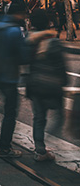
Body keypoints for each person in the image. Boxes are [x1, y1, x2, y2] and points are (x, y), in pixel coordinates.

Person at [26, 9, 68, 162]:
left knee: (39, 117)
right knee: (60, 115)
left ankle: (40, 149)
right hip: (52, 85)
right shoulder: (53, 41)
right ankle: (51, 138)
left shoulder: (29, 40)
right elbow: (60, 66)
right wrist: (64, 81)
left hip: (34, 84)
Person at [0, 1, 30, 157]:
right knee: (11, 112)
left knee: (8, 106)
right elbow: (24, 56)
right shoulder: (14, 31)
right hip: (9, 75)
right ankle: (5, 147)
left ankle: (3, 141)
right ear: (18, 14)